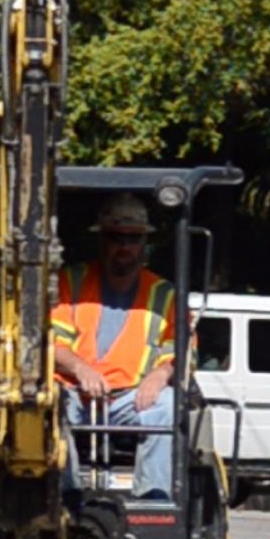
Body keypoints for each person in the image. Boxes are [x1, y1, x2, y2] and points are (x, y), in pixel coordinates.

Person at [51, 194, 179, 500]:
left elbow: (181, 352)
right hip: (74, 394)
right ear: (101, 241)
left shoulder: (164, 294)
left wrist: (160, 376)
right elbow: (51, 344)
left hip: (130, 398)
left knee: (168, 405)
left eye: (133, 239)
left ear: (144, 243)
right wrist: (82, 370)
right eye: (115, 237)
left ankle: (154, 499)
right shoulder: (72, 282)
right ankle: (66, 497)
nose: (124, 247)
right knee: (48, 408)